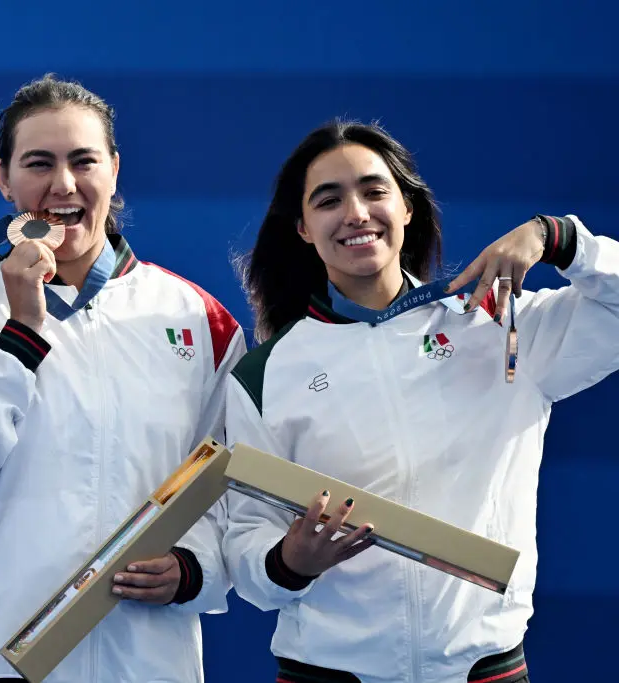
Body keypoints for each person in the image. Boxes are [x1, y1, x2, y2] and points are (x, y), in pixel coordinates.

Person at [221, 119, 619, 683]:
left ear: (408, 207)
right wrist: (288, 562)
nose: (356, 213)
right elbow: (244, 543)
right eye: (329, 200)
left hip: (484, 669)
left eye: (374, 190)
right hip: (328, 672)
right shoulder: (264, 375)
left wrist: (556, 237)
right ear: (304, 229)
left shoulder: (496, 325)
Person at [0, 74, 246, 683]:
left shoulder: (199, 319)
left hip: (143, 660)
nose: (63, 185)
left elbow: (225, 488)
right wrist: (22, 332)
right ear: (4, 179)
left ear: (113, 169)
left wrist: (193, 567)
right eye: (39, 163)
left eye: (83, 161)